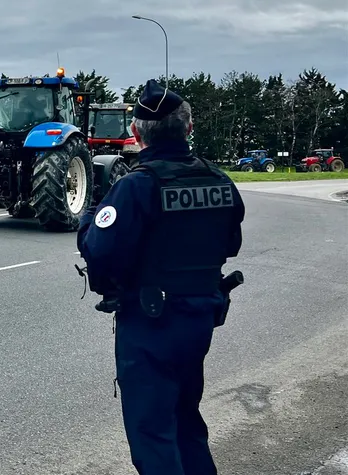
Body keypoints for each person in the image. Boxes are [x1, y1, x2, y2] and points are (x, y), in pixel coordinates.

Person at [77, 79, 245, 475]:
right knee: (187, 422)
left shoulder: (137, 187)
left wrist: (87, 221)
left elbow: (100, 250)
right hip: (200, 318)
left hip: (151, 323)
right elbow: (230, 242)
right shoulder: (219, 180)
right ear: (188, 128)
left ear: (136, 133)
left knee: (153, 434)